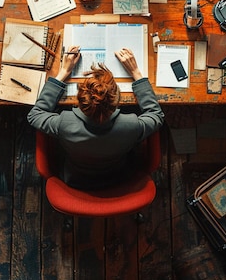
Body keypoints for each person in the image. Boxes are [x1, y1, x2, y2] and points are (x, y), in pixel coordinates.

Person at [27, 46, 164, 190]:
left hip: (76, 180)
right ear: (117, 100)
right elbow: (156, 115)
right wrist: (136, 73)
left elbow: (35, 115)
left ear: (79, 101)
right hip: (119, 179)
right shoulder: (130, 125)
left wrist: (64, 72)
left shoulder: (65, 123)